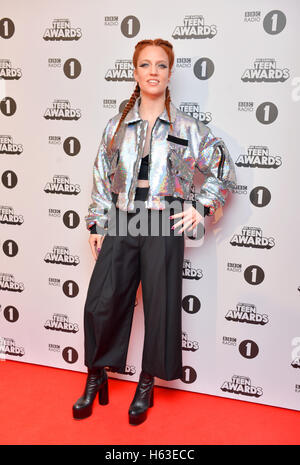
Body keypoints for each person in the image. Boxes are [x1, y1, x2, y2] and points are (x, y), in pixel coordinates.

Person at [72, 38, 237, 425]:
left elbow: (222, 170)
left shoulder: (188, 127)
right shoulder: (116, 125)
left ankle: (146, 383)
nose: (152, 72)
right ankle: (96, 375)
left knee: (161, 306)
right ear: (135, 72)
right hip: (125, 218)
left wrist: (201, 207)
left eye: (160, 65)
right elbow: (101, 177)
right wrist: (97, 221)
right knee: (102, 301)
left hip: (163, 220)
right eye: (145, 65)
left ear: (169, 72)